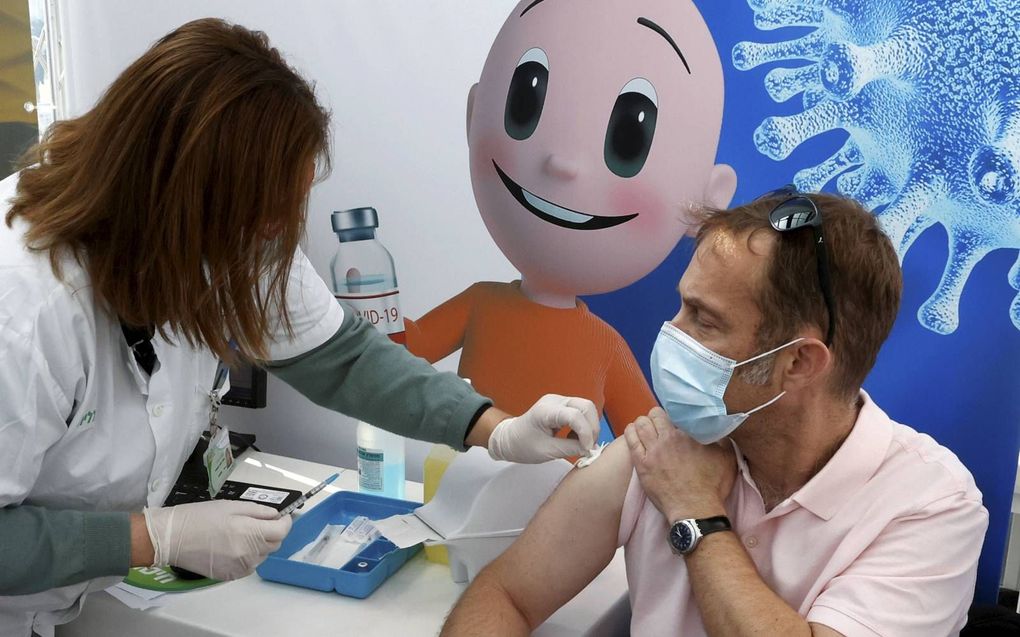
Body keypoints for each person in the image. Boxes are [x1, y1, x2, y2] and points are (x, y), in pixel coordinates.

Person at [0, 19, 599, 636]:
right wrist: (150, 538)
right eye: (259, 227)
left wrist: (493, 429)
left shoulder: (220, 238)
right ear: (184, 203)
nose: (269, 250)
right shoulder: (25, 310)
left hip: (58, 605)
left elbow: (343, 359)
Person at [441, 189, 988, 636]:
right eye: (683, 305)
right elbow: (507, 594)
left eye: (703, 320)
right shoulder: (662, 448)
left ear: (797, 363)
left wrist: (695, 511)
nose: (669, 333)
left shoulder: (932, 506)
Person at [404, 0, 737, 438]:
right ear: (474, 113)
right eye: (526, 100)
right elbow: (399, 354)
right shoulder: (481, 304)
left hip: (560, 499)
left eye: (628, 139)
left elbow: (649, 444)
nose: (562, 164)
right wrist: (364, 304)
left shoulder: (604, 346)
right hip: (464, 484)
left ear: (706, 200)